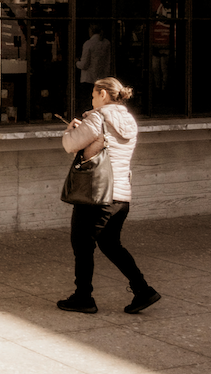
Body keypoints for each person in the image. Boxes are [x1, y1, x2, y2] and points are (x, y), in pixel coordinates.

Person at [58, 77, 160, 316]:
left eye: (94, 95)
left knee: (82, 244)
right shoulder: (129, 120)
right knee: (110, 244)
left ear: (103, 94)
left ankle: (83, 297)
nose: (92, 100)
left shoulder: (98, 118)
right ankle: (142, 290)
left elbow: (71, 145)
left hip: (96, 195)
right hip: (120, 196)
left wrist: (70, 129)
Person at [76, 24, 111, 110]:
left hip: (88, 78)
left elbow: (84, 64)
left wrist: (76, 62)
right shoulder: (106, 43)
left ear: (91, 31)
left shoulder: (88, 44)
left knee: (87, 103)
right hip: (102, 77)